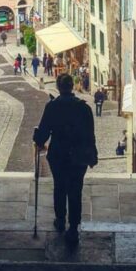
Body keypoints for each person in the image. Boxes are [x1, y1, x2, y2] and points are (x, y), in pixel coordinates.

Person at [33, 72, 98, 246]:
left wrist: (38, 138)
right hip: (78, 156)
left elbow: (44, 132)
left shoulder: (53, 106)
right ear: (72, 87)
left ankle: (60, 220)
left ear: (59, 88)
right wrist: (93, 155)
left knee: (60, 187)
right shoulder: (84, 108)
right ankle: (74, 228)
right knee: (75, 191)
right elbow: (90, 135)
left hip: (59, 155)